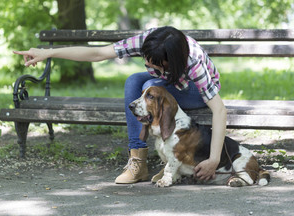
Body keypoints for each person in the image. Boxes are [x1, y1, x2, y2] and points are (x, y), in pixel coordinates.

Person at [13, 26, 227, 184]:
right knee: (134, 80)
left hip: (194, 92)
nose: (149, 65)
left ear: (171, 61)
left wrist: (214, 159)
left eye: (155, 64)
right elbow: (98, 53)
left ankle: (142, 154)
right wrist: (48, 53)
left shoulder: (193, 60)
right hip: (165, 84)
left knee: (151, 82)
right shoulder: (147, 42)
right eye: (147, 62)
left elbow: (218, 109)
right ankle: (138, 160)